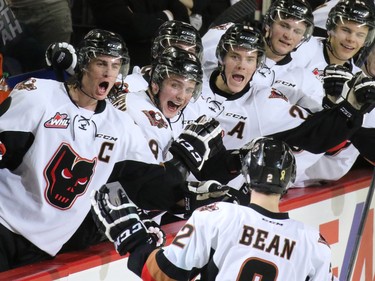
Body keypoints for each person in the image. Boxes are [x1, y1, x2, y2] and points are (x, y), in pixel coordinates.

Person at [0, 28, 229, 271]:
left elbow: (148, 185)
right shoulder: (40, 95)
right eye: (102, 63)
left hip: (46, 248)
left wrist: (183, 166)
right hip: (4, 223)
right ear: (84, 63)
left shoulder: (120, 126)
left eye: (116, 65)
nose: (110, 72)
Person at [91, 137, 335, 280]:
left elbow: (162, 275)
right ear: (289, 180)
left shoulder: (219, 215)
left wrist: (135, 240)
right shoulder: (314, 242)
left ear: (247, 174)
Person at [201, 0, 325, 112]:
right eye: (284, 26)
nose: (289, 36)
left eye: (297, 31)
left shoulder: (303, 78)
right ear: (269, 24)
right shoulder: (224, 38)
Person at [86, 0, 191, 67]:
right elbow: (133, 27)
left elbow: (183, 20)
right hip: (119, 65)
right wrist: (167, 16)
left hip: (160, 67)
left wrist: (141, 18)